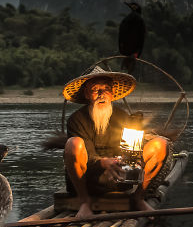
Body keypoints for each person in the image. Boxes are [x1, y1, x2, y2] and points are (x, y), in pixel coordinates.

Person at [62, 66, 168, 218]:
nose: (101, 94)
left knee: (160, 144)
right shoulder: (76, 120)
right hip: (89, 180)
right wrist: (103, 162)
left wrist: (132, 160)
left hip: (119, 177)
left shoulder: (122, 116)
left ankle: (138, 198)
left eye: (106, 89)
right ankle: (85, 203)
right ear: (87, 94)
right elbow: (86, 157)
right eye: (95, 89)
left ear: (112, 94)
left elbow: (132, 149)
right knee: (73, 144)